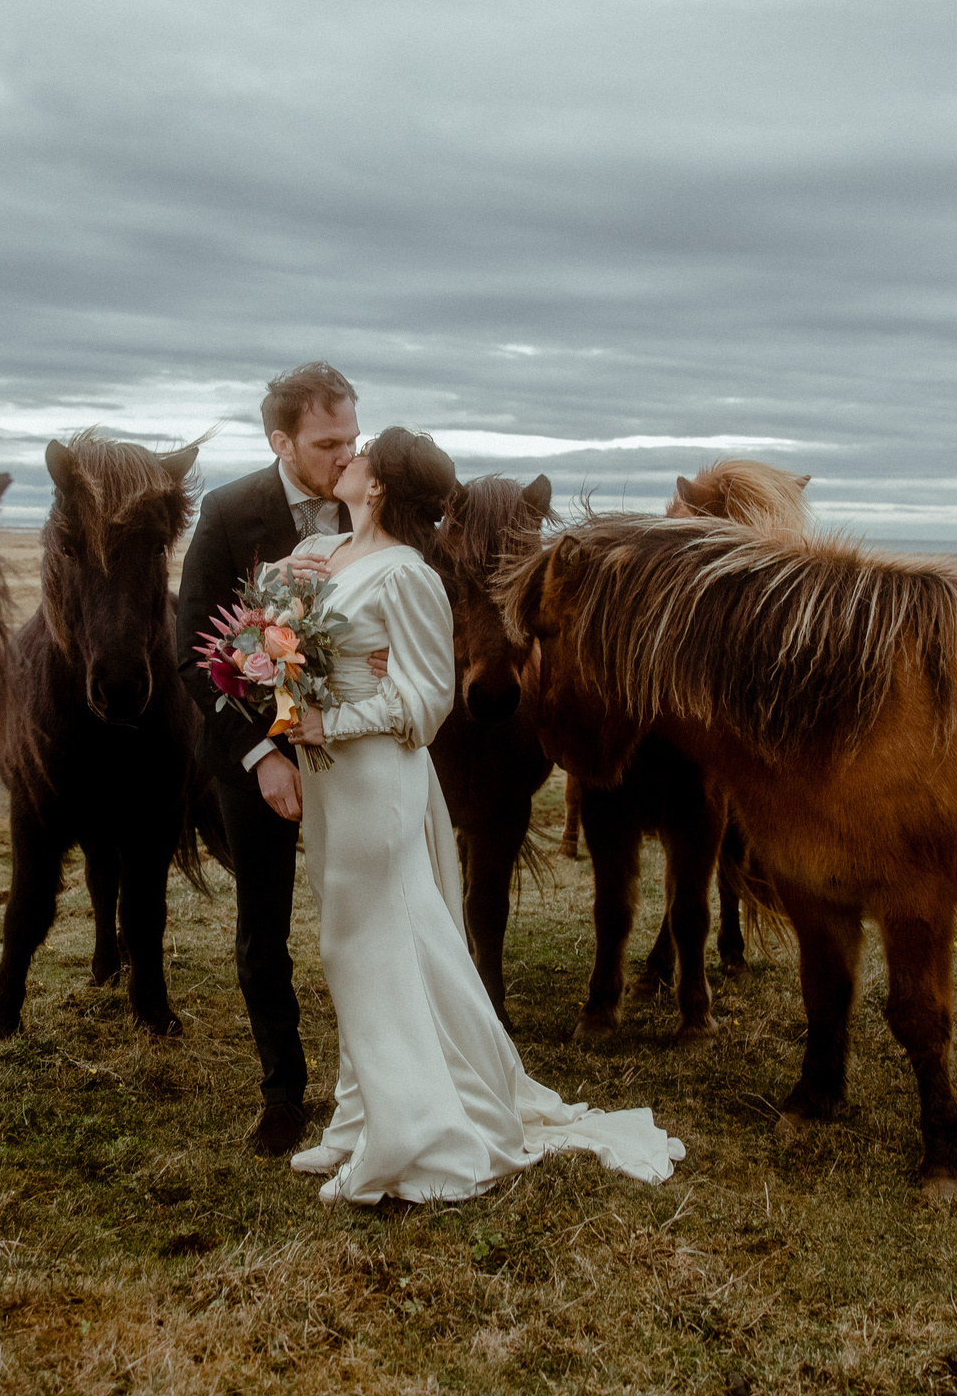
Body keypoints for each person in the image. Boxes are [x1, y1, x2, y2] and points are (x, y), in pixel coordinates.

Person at [284, 425, 686, 1205]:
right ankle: (360, 1117)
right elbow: (305, 644)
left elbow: (430, 697)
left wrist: (332, 720)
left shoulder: (407, 573)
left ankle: (413, 1126)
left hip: (377, 778)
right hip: (335, 783)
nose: (347, 457)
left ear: (379, 487)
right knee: (346, 944)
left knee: (368, 940)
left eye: (359, 454)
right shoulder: (330, 557)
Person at [173, 362, 362, 1155]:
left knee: (366, 920)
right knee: (265, 930)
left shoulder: (369, 503)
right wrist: (259, 754)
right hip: (258, 757)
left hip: (354, 751)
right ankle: (283, 1090)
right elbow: (194, 653)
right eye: (328, 443)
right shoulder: (228, 511)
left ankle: (376, 1076)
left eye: (354, 437)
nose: (347, 455)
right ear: (280, 440)